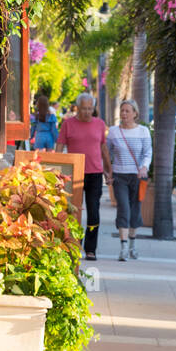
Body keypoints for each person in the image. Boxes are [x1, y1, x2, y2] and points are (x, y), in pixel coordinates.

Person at [57, 91, 111, 260]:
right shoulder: (68, 124)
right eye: (84, 109)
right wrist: (57, 171)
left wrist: (109, 170)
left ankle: (90, 249)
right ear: (77, 108)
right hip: (74, 174)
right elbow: (59, 147)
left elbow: (103, 149)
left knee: (94, 213)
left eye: (90, 109)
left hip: (95, 174)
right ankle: (73, 245)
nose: (87, 112)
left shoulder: (100, 124)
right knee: (73, 213)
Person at [106, 98, 152, 261]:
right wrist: (108, 172)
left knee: (135, 211)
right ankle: (123, 248)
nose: (124, 114)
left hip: (138, 177)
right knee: (123, 209)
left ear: (135, 113)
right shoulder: (113, 132)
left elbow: (147, 152)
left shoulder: (143, 132)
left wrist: (144, 166)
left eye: (127, 111)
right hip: (120, 176)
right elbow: (108, 153)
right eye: (122, 111)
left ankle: (133, 245)